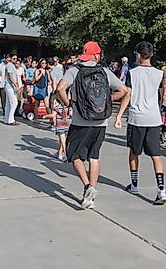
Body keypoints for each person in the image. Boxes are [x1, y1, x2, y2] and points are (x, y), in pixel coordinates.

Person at [56, 41, 130, 210]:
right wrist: (107, 101)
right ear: (97, 55)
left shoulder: (74, 70)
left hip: (80, 121)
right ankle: (91, 196)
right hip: (100, 121)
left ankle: (87, 186)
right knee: (94, 157)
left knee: (74, 156)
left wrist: (69, 103)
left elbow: (60, 88)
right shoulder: (105, 71)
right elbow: (124, 90)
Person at [115, 41, 166, 205]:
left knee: (134, 151)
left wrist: (119, 116)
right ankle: (161, 190)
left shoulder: (132, 73)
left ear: (138, 55)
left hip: (137, 118)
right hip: (154, 118)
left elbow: (128, 94)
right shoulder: (159, 74)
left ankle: (134, 184)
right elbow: (161, 95)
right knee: (156, 155)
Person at [51, 96, 71, 162]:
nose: (54, 104)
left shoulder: (57, 108)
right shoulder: (67, 107)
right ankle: (59, 153)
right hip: (67, 125)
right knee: (61, 140)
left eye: (55, 103)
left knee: (63, 140)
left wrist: (45, 116)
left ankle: (66, 154)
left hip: (60, 126)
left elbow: (53, 115)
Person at [3, 53, 20, 126]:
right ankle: (11, 119)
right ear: (10, 58)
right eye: (14, 58)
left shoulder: (11, 65)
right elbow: (10, 76)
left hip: (9, 86)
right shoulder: (10, 65)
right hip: (10, 86)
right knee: (14, 103)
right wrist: (16, 85)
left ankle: (7, 119)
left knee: (9, 104)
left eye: (16, 59)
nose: (15, 60)